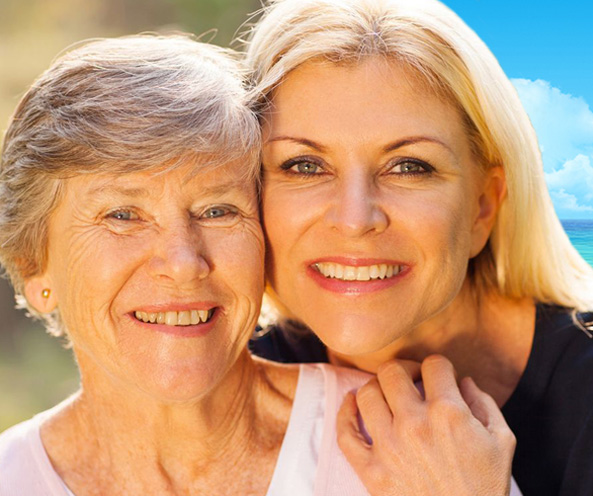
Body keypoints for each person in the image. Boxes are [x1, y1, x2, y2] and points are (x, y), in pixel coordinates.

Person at [0, 33, 401, 496]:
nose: (184, 264)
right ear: (35, 264)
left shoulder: (398, 440)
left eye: (217, 211)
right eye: (123, 216)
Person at [244, 0, 593, 495]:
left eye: (409, 166)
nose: (354, 219)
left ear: (482, 207)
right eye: (304, 165)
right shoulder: (224, 384)